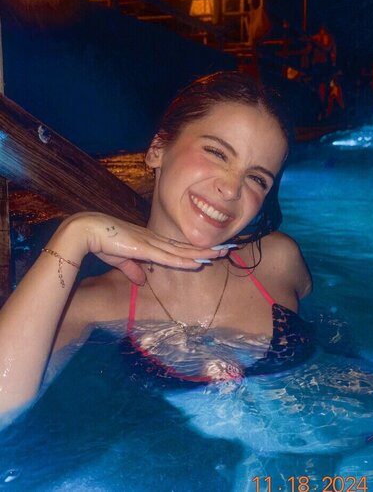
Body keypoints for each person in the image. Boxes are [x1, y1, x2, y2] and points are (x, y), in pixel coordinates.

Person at [0, 71, 312, 416]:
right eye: (217, 152)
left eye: (256, 178)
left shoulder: (279, 260)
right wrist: (76, 233)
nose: (231, 189)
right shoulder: (93, 305)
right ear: (158, 149)